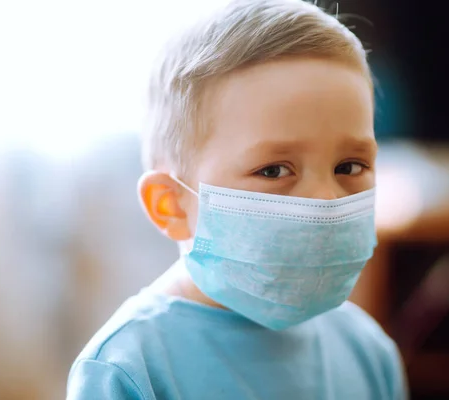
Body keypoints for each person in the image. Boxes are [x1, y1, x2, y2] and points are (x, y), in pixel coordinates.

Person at [67, 0, 407, 398]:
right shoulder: (129, 368)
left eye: (349, 166)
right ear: (171, 203)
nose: (326, 202)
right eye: (274, 170)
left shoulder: (367, 352)